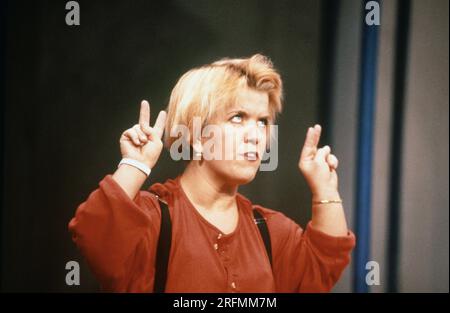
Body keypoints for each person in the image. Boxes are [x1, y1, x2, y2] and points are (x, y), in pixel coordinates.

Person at [68, 54, 355, 292]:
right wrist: (135, 165)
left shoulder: (269, 230)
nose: (256, 135)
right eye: (238, 117)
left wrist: (326, 190)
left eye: (263, 122)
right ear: (195, 135)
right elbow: (93, 236)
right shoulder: (152, 219)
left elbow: (321, 266)